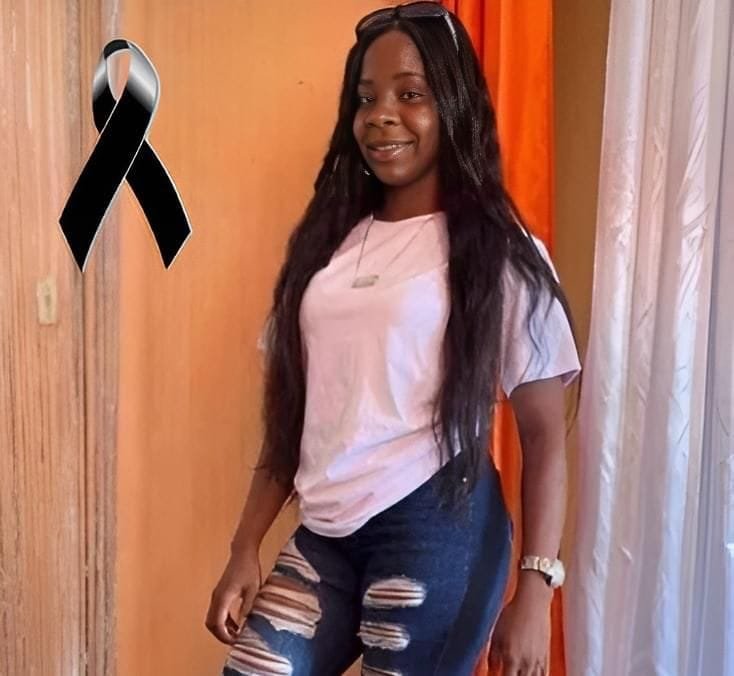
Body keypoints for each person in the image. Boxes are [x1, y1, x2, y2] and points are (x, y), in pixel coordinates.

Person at [206, 3, 581, 675]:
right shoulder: (327, 248)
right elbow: (292, 415)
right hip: (327, 532)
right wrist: (245, 545)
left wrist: (536, 587)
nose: (381, 115)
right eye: (366, 98)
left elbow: (545, 434)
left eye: (411, 95)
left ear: (454, 106)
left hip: (436, 529)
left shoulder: (497, 252)